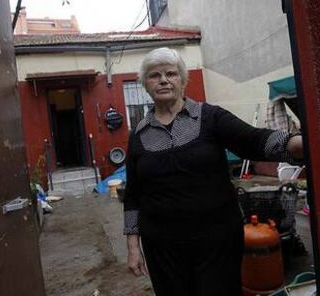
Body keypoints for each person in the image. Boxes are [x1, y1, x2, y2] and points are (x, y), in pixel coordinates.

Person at [123, 47, 303, 296]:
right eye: (154, 75)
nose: (163, 80)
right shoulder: (138, 135)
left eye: (171, 73)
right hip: (163, 247)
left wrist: (295, 144)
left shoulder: (210, 117)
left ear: (183, 80)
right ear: (145, 84)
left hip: (216, 240)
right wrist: (133, 246)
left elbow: (252, 140)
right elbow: (133, 195)